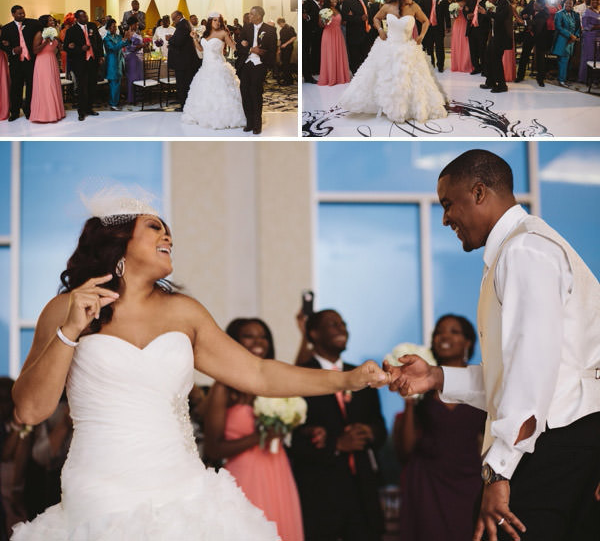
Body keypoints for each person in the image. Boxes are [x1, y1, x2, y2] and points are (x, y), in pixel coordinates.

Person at [10, 189, 392, 540]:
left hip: (183, 492)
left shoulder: (184, 312)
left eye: (169, 232)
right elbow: (30, 409)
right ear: (118, 239)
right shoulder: (66, 308)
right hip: (98, 494)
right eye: (155, 227)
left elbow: (258, 373)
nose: (168, 238)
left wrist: (348, 379)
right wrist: (70, 331)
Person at [392, 149, 600, 541]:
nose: (444, 218)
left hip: (556, 444)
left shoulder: (524, 251)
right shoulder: (519, 248)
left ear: (479, 191)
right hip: (562, 440)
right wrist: (436, 377)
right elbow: (520, 374)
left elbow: (530, 372)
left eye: (448, 203)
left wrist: (498, 471)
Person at [204, 318, 304, 541]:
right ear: (234, 342)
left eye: (263, 336)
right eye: (249, 336)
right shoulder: (224, 387)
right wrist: (260, 437)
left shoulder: (275, 382)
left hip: (278, 470)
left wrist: (304, 336)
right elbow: (213, 447)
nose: (258, 341)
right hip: (244, 475)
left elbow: (302, 373)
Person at [290, 309, 386, 541]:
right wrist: (336, 444)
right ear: (313, 333)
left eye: (343, 323)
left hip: (362, 490)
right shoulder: (300, 374)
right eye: (333, 324)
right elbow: (292, 436)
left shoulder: (361, 374)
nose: (341, 328)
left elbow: (380, 427)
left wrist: (369, 432)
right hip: (320, 490)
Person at [393, 314, 486, 541]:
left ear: (468, 342)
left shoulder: (482, 384)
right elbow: (405, 450)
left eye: (454, 331)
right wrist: (409, 401)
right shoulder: (421, 388)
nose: (444, 336)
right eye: (439, 332)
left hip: (470, 482)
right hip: (428, 484)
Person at [339, 0, 447, 125]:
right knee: (383, 77)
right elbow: (376, 18)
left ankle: (407, 107)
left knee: (409, 80)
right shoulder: (387, 7)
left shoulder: (414, 7)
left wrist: (421, 35)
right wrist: (380, 30)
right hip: (388, 46)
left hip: (407, 47)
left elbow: (425, 21)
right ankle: (384, 104)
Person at [182, 12, 245, 129]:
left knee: (221, 93)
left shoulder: (223, 33)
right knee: (204, 93)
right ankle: (203, 116)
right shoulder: (206, 34)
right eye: (215, 20)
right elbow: (201, 50)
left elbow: (234, 46)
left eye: (219, 20)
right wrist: (195, 39)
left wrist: (244, 45)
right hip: (205, 68)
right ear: (210, 21)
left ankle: (225, 118)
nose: (217, 22)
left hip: (218, 67)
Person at [238, 6, 277, 135]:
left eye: (251, 14)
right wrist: (250, 49)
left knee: (255, 93)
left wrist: (261, 53)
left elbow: (272, 50)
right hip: (246, 64)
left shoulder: (270, 30)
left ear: (258, 16)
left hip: (259, 65)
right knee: (244, 93)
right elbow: (238, 45)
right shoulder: (246, 28)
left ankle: (257, 124)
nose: (249, 16)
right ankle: (249, 123)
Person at [0, 6, 42, 121]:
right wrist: (12, 50)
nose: (22, 15)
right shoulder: (7, 28)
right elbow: (2, 44)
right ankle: (15, 112)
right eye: (19, 14)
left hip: (30, 61)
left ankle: (29, 111)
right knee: (16, 87)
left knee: (31, 87)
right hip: (16, 63)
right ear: (13, 14)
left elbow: (43, 27)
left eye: (23, 13)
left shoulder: (32, 23)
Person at [64, 11, 103, 121]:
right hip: (80, 62)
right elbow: (66, 47)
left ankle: (89, 108)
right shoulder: (71, 30)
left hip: (92, 61)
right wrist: (79, 49)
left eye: (86, 15)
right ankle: (81, 111)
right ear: (77, 19)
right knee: (82, 88)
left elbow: (99, 41)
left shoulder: (92, 26)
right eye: (83, 16)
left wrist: (100, 56)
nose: (86, 17)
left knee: (92, 86)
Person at [29, 15, 65, 124]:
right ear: (45, 22)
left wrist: (58, 42)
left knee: (53, 85)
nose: (52, 21)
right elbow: (35, 50)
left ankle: (56, 112)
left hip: (52, 60)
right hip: (42, 62)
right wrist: (45, 41)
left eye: (52, 20)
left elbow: (60, 49)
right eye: (50, 20)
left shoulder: (54, 33)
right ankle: (45, 114)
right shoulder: (40, 34)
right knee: (46, 86)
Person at [167, 11, 200, 109]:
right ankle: (184, 102)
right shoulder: (185, 24)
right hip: (186, 61)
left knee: (183, 84)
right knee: (185, 83)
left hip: (183, 61)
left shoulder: (182, 25)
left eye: (173, 19)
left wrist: (170, 39)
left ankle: (184, 105)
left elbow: (178, 41)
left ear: (179, 16)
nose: (173, 22)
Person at [515, 0, 549, 87]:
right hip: (529, 35)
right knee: (524, 56)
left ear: (542, 6)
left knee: (540, 58)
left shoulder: (545, 13)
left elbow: (537, 22)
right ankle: (520, 76)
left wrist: (524, 21)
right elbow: (523, 13)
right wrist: (524, 16)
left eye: (536, 5)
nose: (534, 6)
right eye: (534, 4)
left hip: (540, 37)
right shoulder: (531, 8)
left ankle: (540, 79)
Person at [318, 0, 350, 86]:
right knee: (330, 55)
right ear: (328, 0)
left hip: (338, 34)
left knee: (339, 54)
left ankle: (340, 77)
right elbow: (320, 24)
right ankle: (331, 78)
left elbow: (342, 22)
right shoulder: (324, 11)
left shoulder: (338, 9)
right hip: (328, 34)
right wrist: (325, 21)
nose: (335, 1)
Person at [418, 0, 450, 73]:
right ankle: (431, 63)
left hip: (438, 27)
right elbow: (420, 10)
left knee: (440, 46)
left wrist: (448, 26)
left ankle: (440, 65)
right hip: (427, 26)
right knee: (429, 46)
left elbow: (446, 13)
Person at [341, 0, 371, 76]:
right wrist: (359, 18)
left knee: (365, 53)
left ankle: (364, 73)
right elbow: (345, 17)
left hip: (366, 32)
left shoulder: (366, 1)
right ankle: (355, 73)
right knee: (354, 54)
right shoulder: (348, 2)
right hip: (354, 33)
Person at [551, 0, 581, 87]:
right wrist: (570, 35)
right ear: (563, 3)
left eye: (570, 3)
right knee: (563, 61)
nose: (568, 5)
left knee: (568, 61)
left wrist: (575, 36)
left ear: (573, 5)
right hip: (562, 40)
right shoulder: (559, 14)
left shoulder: (575, 14)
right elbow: (559, 27)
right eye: (567, 3)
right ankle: (561, 80)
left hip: (572, 41)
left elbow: (578, 27)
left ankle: (564, 79)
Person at [465, 0, 491, 76]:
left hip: (482, 28)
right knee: (473, 49)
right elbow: (465, 9)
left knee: (482, 50)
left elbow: (489, 13)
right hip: (471, 28)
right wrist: (467, 16)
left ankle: (484, 69)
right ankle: (476, 67)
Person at [102, 19, 125, 110]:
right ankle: (113, 103)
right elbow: (113, 48)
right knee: (113, 84)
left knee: (118, 83)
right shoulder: (106, 39)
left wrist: (127, 40)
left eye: (115, 26)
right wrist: (123, 42)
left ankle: (116, 101)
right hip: (112, 63)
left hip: (119, 61)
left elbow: (123, 44)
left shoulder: (118, 36)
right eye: (113, 26)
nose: (115, 28)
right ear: (108, 28)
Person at [578, 0, 600, 83]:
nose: (595, 1)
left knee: (597, 58)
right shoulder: (587, 11)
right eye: (593, 0)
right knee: (588, 57)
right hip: (589, 38)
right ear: (590, 1)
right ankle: (584, 79)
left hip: (598, 38)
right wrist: (597, 27)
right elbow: (585, 26)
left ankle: (595, 79)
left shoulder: (599, 11)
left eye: (597, 0)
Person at [450, 0, 472, 72]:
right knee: (457, 43)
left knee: (466, 44)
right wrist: (453, 12)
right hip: (457, 24)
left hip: (466, 24)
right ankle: (457, 65)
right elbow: (454, 16)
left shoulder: (470, 2)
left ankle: (465, 64)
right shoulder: (456, 3)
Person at [122, 19, 144, 107]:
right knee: (132, 78)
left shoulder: (137, 34)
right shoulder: (127, 33)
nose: (137, 26)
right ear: (132, 25)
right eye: (136, 24)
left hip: (138, 58)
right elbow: (129, 47)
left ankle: (138, 98)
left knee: (138, 77)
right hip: (131, 58)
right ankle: (131, 98)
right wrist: (141, 45)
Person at [277, 18, 296, 86]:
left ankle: (288, 80)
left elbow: (294, 37)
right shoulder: (281, 30)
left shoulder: (290, 28)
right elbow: (281, 39)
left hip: (288, 48)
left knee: (286, 64)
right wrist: (279, 49)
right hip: (283, 49)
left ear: (281, 23)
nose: (279, 26)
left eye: (279, 24)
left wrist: (286, 44)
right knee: (284, 64)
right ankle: (287, 79)